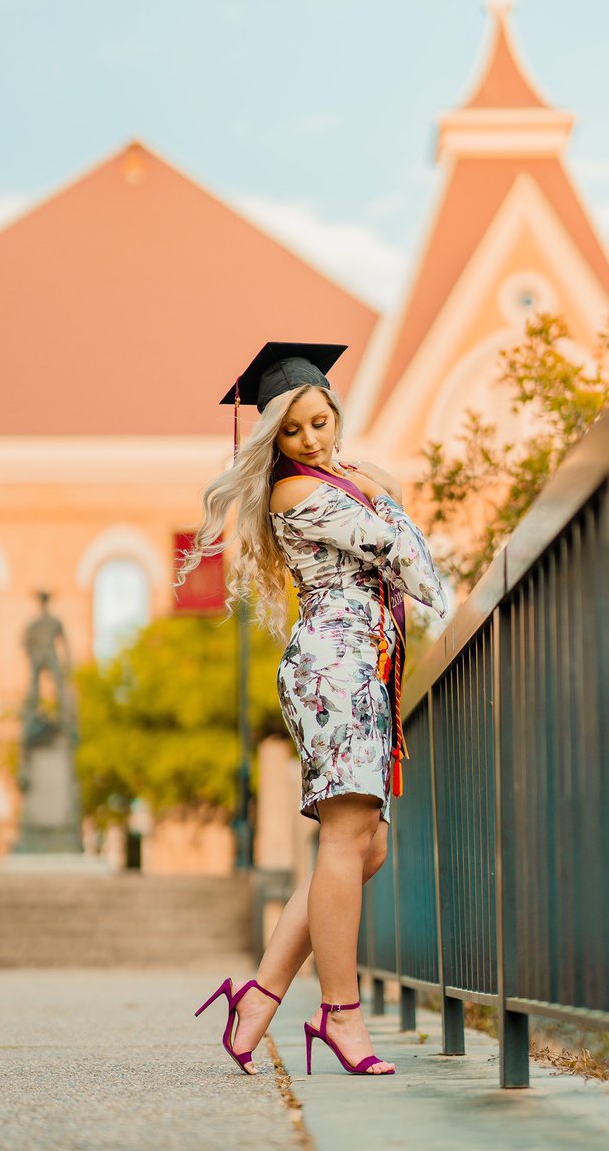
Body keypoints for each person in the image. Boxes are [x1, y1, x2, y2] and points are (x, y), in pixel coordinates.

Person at [180, 342, 449, 1077]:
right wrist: (386, 493)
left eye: (319, 423)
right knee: (344, 841)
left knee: (366, 848)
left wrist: (370, 483)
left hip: (363, 670)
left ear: (337, 414)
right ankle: (339, 1012)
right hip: (337, 669)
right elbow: (410, 562)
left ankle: (260, 994)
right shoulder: (296, 492)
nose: (308, 440)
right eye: (291, 430)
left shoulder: (338, 480)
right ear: (274, 437)